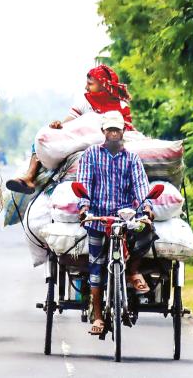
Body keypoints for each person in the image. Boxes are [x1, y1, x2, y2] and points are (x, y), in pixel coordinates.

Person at [76, 111, 154, 336]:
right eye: (109, 129)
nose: (113, 133)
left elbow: (140, 186)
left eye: (116, 129)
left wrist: (147, 208)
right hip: (98, 218)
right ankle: (98, 316)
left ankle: (132, 270)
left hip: (125, 219)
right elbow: (84, 183)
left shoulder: (132, 159)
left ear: (123, 132)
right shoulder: (91, 154)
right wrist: (84, 208)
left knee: (148, 232)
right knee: (96, 267)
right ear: (103, 132)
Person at [5, 64, 134, 194]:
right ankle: (29, 177)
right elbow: (68, 123)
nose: (86, 87)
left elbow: (124, 131)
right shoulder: (85, 101)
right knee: (45, 136)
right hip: (81, 139)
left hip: (102, 142)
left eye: (90, 84)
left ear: (104, 86)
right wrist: (58, 125)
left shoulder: (121, 107)